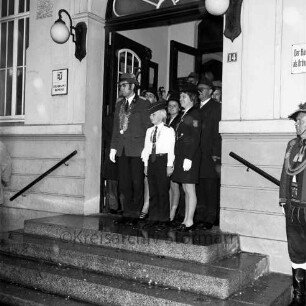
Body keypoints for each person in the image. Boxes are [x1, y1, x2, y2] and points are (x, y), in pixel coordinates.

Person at [110, 73, 151, 225]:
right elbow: (116, 127)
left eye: (124, 85)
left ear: (133, 86)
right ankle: (127, 212)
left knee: (137, 183)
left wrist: (147, 150)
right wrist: (113, 148)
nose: (121, 88)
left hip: (137, 149)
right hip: (122, 149)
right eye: (120, 85)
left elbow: (148, 127)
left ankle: (135, 213)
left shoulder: (143, 103)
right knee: (124, 183)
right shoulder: (119, 104)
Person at [279, 102, 306, 305]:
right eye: (296, 121)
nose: (296, 124)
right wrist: (283, 200)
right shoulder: (291, 144)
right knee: (296, 250)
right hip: (293, 207)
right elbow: (285, 174)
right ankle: (299, 296)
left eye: (300, 120)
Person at [141, 101, 175, 230]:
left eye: (153, 114)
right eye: (150, 115)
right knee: (153, 190)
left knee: (162, 190)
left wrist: (169, 165)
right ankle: (153, 217)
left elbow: (171, 149)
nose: (151, 117)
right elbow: (146, 149)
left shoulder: (168, 130)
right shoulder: (149, 130)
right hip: (151, 161)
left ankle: (164, 219)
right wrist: (145, 164)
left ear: (161, 115)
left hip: (163, 160)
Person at [171, 83, 201, 231]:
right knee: (185, 188)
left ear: (192, 98)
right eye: (181, 96)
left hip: (190, 157)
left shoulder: (195, 114)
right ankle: (185, 220)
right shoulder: (185, 114)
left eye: (184, 96)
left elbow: (195, 137)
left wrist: (188, 158)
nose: (181, 99)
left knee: (190, 189)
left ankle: (189, 221)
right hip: (182, 156)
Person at [196, 77, 222, 230]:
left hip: (210, 155)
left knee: (210, 187)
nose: (199, 91)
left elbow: (218, 133)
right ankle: (200, 215)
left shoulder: (216, 107)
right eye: (198, 89)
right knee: (200, 186)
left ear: (211, 91)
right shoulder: (196, 108)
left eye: (203, 89)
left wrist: (217, 154)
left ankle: (211, 217)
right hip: (198, 155)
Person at [165, 92, 182, 223]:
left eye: (174, 106)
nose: (171, 108)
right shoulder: (165, 120)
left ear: (179, 108)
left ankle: (173, 212)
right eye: (169, 105)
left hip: (176, 154)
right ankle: (169, 210)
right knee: (169, 185)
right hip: (166, 154)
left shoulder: (180, 120)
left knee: (175, 185)